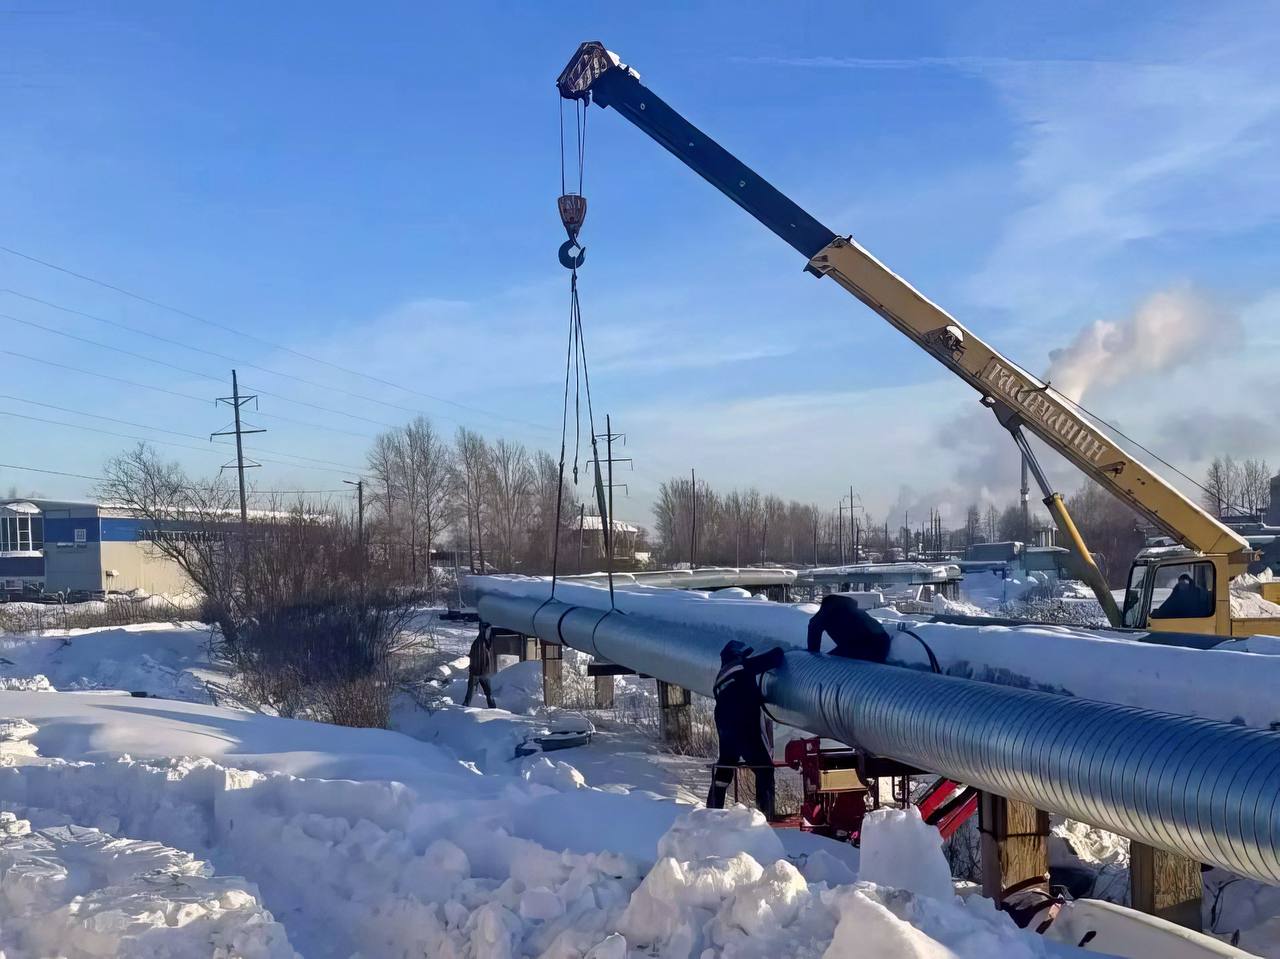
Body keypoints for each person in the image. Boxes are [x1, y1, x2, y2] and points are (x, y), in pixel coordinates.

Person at [707, 639, 785, 818]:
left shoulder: (720, 677)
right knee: (764, 768)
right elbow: (776, 656)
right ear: (738, 655)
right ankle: (765, 816)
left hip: (724, 727)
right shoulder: (741, 667)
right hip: (743, 726)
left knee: (724, 768)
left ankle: (712, 812)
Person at [807, 593, 893, 663]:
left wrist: (813, 655)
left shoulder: (827, 614)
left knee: (831, 663)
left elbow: (813, 628)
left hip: (864, 645)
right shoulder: (854, 612)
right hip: (882, 642)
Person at [463, 622, 497, 708]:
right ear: (484, 631)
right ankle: (464, 708)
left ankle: (493, 708)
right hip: (477, 672)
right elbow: (475, 658)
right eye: (488, 630)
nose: (489, 632)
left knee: (488, 693)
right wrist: (477, 672)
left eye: (490, 630)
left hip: (483, 673)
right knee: (471, 692)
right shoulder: (479, 643)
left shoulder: (486, 642)